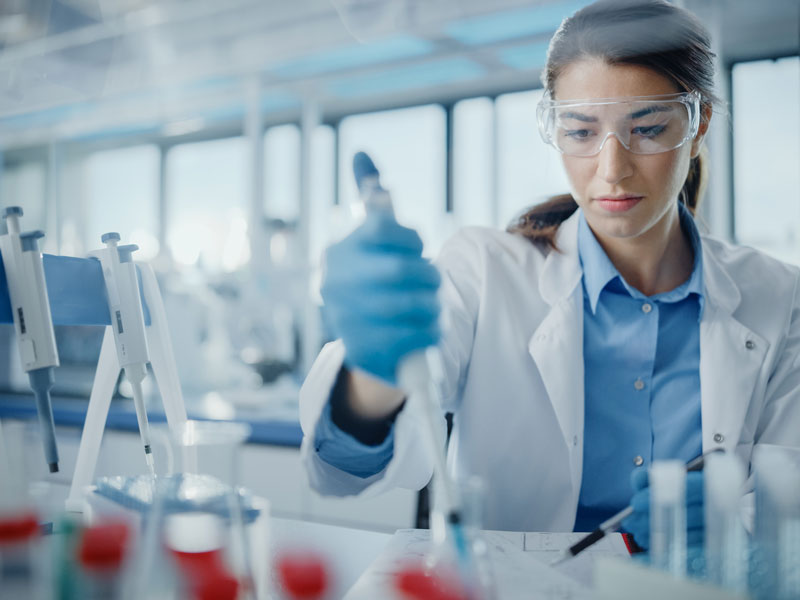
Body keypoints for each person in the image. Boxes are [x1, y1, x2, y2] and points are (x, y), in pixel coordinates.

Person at [298, 0, 800, 550]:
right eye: (581, 132)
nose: (612, 168)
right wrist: (373, 372)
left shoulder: (779, 297)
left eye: (649, 128)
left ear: (698, 124)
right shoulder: (484, 273)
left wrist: (742, 521)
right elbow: (355, 464)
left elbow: (790, 492)